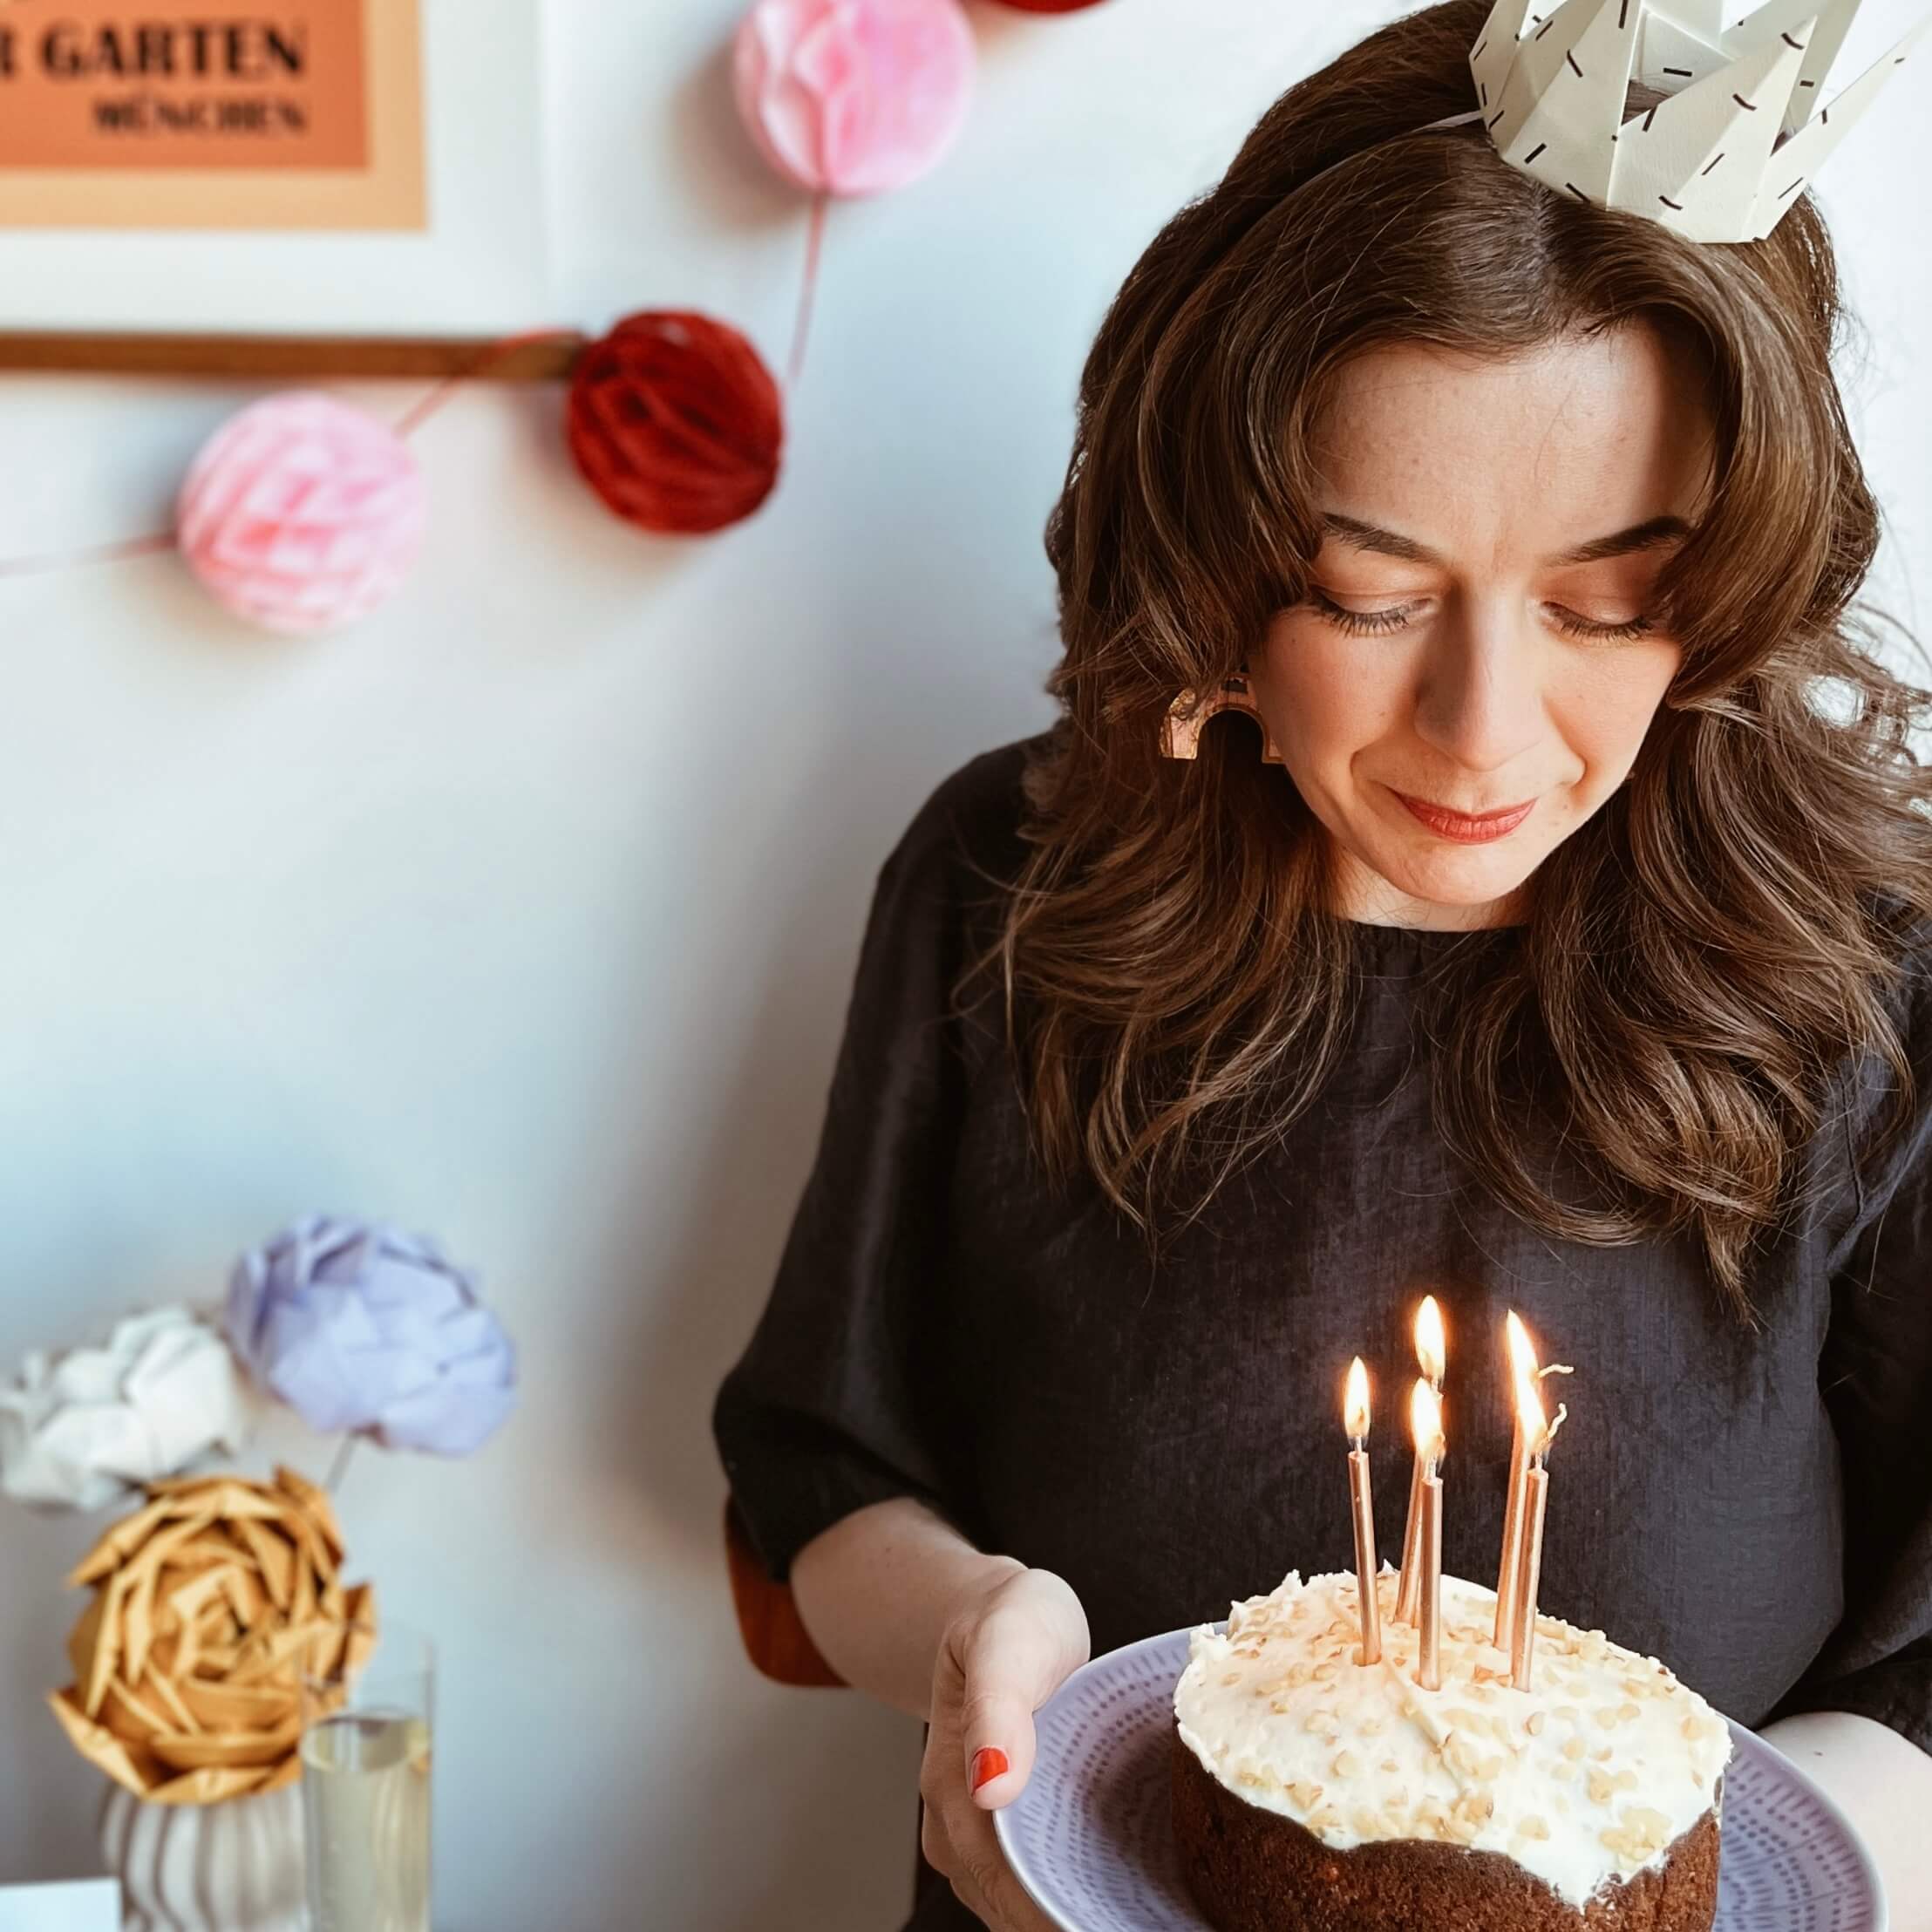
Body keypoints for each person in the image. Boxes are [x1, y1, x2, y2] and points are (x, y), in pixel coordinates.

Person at [711, 2, 1932, 1927]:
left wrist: (1742, 1879)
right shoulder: (1005, 888)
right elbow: (819, 1457)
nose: (1482, 729)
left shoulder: (1869, 960)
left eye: (1611, 602)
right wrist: (969, 1631)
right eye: (1370, 595)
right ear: (1214, 550)